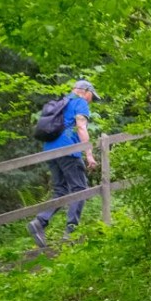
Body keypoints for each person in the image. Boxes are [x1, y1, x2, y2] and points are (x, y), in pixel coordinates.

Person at [29, 79, 99, 248]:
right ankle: (71, 232)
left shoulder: (62, 102)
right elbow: (81, 127)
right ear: (86, 91)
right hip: (68, 149)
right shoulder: (80, 102)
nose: (91, 100)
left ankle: (40, 221)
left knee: (61, 189)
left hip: (50, 150)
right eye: (92, 97)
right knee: (79, 189)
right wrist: (89, 154)